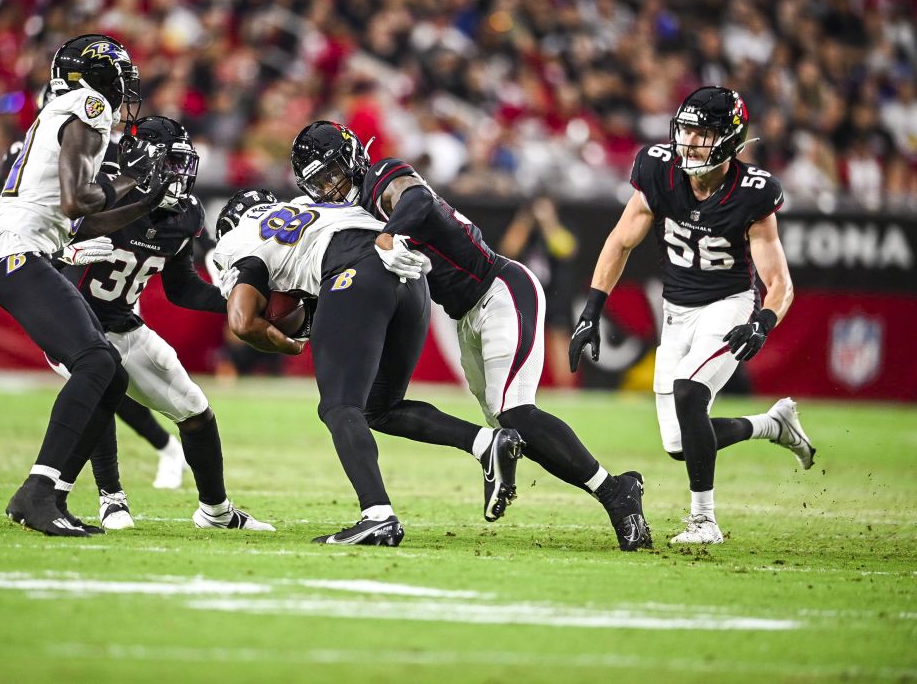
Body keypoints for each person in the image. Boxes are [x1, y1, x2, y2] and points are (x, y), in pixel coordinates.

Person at [290, 121, 651, 551]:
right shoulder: (347, 214)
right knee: (501, 425)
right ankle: (606, 487)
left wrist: (389, 233)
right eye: (319, 183)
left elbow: (417, 198)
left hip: (499, 289)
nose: (330, 188)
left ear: (351, 159)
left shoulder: (381, 176)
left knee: (514, 414)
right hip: (465, 314)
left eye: (333, 174)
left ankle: (616, 492)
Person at [569, 86, 816, 545]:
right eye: (685, 130)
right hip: (676, 313)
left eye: (701, 133)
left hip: (728, 305)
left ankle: (704, 521)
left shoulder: (753, 194)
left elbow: (779, 282)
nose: (689, 142)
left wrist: (762, 321)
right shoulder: (658, 170)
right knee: (680, 443)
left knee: (689, 392)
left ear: (728, 139)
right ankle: (772, 425)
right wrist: (591, 310)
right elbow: (620, 241)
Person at [213, 189, 523, 546]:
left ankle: (377, 515)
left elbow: (241, 322)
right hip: (407, 270)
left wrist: (288, 345)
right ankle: (487, 442)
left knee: (339, 405)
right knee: (380, 407)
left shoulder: (240, 239)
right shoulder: (302, 205)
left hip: (355, 273)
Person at [0, 33, 173, 537]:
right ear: (98, 80)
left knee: (109, 371)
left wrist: (145, 200)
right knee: (95, 361)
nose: (124, 94)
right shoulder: (88, 105)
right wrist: (130, 179)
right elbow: (76, 201)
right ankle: (38, 491)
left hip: (22, 251)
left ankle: (53, 493)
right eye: (119, 80)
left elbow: (85, 220)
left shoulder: (64, 107)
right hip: (19, 252)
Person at [50, 117, 273, 532]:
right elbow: (40, 253)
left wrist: (235, 300)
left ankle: (217, 513)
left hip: (124, 323)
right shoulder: (97, 194)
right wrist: (64, 256)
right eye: (170, 164)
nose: (180, 176)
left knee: (195, 410)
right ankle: (110, 498)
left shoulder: (184, 214)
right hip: (69, 321)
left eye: (182, 165)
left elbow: (182, 288)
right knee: (102, 378)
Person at [5, 87, 189, 493]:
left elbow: (89, 220)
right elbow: (47, 230)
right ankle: (110, 486)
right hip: (46, 270)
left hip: (94, 290)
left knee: (100, 373)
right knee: (98, 373)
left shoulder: (97, 156)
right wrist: (67, 250)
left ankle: (109, 492)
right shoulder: (42, 155)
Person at [498, 196, 579, 388]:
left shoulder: (562, 226)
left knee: (559, 335)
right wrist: (524, 220)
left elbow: (566, 250)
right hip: (528, 292)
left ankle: (565, 387)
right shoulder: (525, 229)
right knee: (522, 337)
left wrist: (549, 222)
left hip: (555, 292)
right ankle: (517, 385)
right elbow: (508, 248)